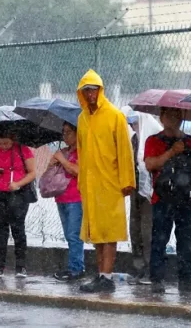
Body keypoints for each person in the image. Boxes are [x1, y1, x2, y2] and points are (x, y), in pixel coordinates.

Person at [75, 70, 136, 293]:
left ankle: (107, 277)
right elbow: (81, 152)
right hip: (90, 185)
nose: (90, 94)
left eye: (94, 90)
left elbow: (125, 151)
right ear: (81, 93)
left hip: (111, 183)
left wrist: (127, 181)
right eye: (86, 90)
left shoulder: (115, 116)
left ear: (101, 91)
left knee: (109, 231)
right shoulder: (81, 119)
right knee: (96, 232)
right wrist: (81, 181)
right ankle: (101, 275)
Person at [145, 107, 191, 294]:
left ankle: (187, 279)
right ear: (162, 117)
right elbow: (150, 164)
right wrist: (172, 152)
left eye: (177, 116)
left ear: (182, 118)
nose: (173, 120)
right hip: (162, 199)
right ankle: (157, 279)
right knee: (159, 240)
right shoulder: (154, 141)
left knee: (187, 242)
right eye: (169, 115)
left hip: (188, 201)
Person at [0, 130, 37, 279]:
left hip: (17, 193)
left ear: (13, 139)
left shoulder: (23, 150)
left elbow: (32, 173)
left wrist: (18, 184)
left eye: (6, 143)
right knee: (1, 231)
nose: (3, 146)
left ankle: (21, 267)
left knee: (18, 230)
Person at [122, 106, 163, 285]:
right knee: (135, 229)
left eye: (134, 122)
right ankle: (138, 267)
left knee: (148, 231)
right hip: (135, 190)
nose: (133, 126)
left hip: (150, 192)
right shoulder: (134, 138)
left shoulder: (154, 136)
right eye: (130, 123)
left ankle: (150, 268)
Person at [52, 122, 84, 282]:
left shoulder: (83, 152)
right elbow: (50, 171)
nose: (65, 136)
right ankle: (74, 265)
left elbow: (77, 171)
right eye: (63, 133)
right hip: (61, 197)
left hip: (75, 198)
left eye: (69, 132)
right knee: (68, 234)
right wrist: (54, 162)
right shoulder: (63, 152)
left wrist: (63, 161)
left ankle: (76, 269)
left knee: (74, 234)